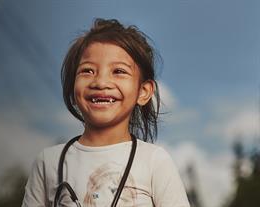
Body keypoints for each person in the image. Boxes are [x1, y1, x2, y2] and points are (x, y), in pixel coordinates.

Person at [21, 18, 190, 207]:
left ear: (143, 92)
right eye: (88, 71)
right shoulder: (48, 162)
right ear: (72, 87)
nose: (100, 83)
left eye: (118, 71)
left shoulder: (154, 161)